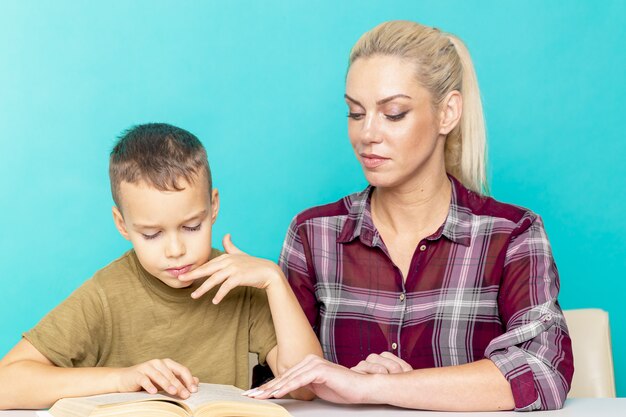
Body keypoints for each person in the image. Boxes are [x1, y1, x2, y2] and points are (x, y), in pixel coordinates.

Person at [246, 21, 573, 411]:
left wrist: (372, 387)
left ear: (447, 113)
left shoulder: (512, 234)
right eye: (355, 113)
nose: (367, 134)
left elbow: (541, 371)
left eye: (394, 113)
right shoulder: (311, 234)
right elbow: (288, 380)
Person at [0, 123, 321, 410]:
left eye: (191, 227)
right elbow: (6, 384)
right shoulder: (105, 294)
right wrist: (122, 379)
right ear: (122, 224)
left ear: (213, 207)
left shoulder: (242, 286)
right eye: (151, 234)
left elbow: (306, 387)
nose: (176, 250)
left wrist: (273, 279)